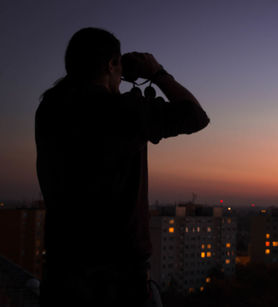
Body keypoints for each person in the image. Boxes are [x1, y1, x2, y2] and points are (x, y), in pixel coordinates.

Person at [35, 27, 209, 306]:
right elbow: (195, 116)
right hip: (116, 276)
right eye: (117, 64)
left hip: (62, 267)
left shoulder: (50, 108)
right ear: (110, 64)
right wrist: (157, 72)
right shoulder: (123, 111)